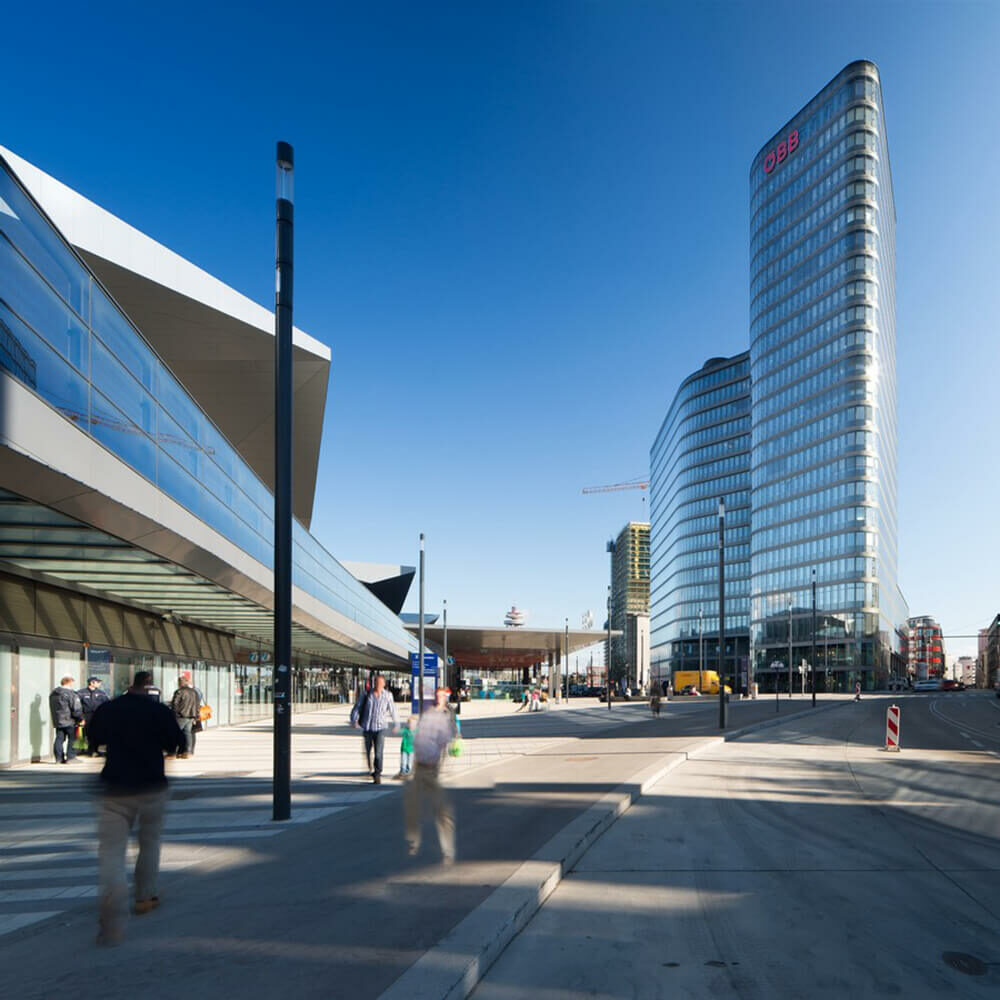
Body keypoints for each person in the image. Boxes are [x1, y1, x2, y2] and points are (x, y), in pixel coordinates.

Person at [87, 670, 182, 946]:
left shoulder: (109, 708)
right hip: (152, 786)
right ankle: (145, 896)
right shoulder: (158, 711)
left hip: (115, 788)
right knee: (150, 842)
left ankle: (113, 909)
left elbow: (94, 740)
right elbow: (176, 742)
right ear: (149, 686)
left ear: (129, 686)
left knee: (111, 854)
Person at [405, 686, 457, 864]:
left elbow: (446, 743)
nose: (437, 699)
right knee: (413, 807)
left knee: (442, 811)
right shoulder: (427, 715)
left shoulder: (445, 718)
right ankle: (413, 841)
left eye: (441, 696)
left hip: (431, 769)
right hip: (419, 767)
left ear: (445, 698)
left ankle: (448, 851)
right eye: (436, 696)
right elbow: (418, 736)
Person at [350, 673, 397, 784]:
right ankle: (370, 768)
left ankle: (377, 773)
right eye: (377, 682)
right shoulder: (366, 694)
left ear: (384, 684)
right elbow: (357, 707)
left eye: (381, 683)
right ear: (374, 683)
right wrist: (354, 720)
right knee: (367, 751)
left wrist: (396, 723)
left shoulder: (388, 695)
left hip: (380, 728)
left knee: (378, 752)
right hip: (367, 727)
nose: (379, 685)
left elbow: (393, 710)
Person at [49, 676, 83, 764]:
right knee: (73, 738)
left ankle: (59, 758)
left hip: (58, 720)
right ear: (69, 682)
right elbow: (76, 708)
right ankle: (71, 757)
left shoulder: (54, 694)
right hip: (70, 720)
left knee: (59, 739)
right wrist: (80, 718)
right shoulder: (71, 694)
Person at [170, 675, 201, 758]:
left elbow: (175, 704)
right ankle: (187, 752)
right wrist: (196, 716)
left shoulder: (179, 691)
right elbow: (197, 705)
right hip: (191, 716)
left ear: (180, 683)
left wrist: (175, 713)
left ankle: (172, 753)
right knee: (187, 733)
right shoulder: (194, 692)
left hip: (181, 716)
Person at [78, 677, 110, 756]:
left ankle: (94, 750)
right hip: (85, 716)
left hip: (97, 716)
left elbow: (107, 704)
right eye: (97, 682)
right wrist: (80, 717)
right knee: (83, 733)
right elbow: (77, 706)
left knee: (96, 733)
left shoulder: (101, 693)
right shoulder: (81, 693)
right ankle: (83, 750)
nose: (99, 684)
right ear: (92, 683)